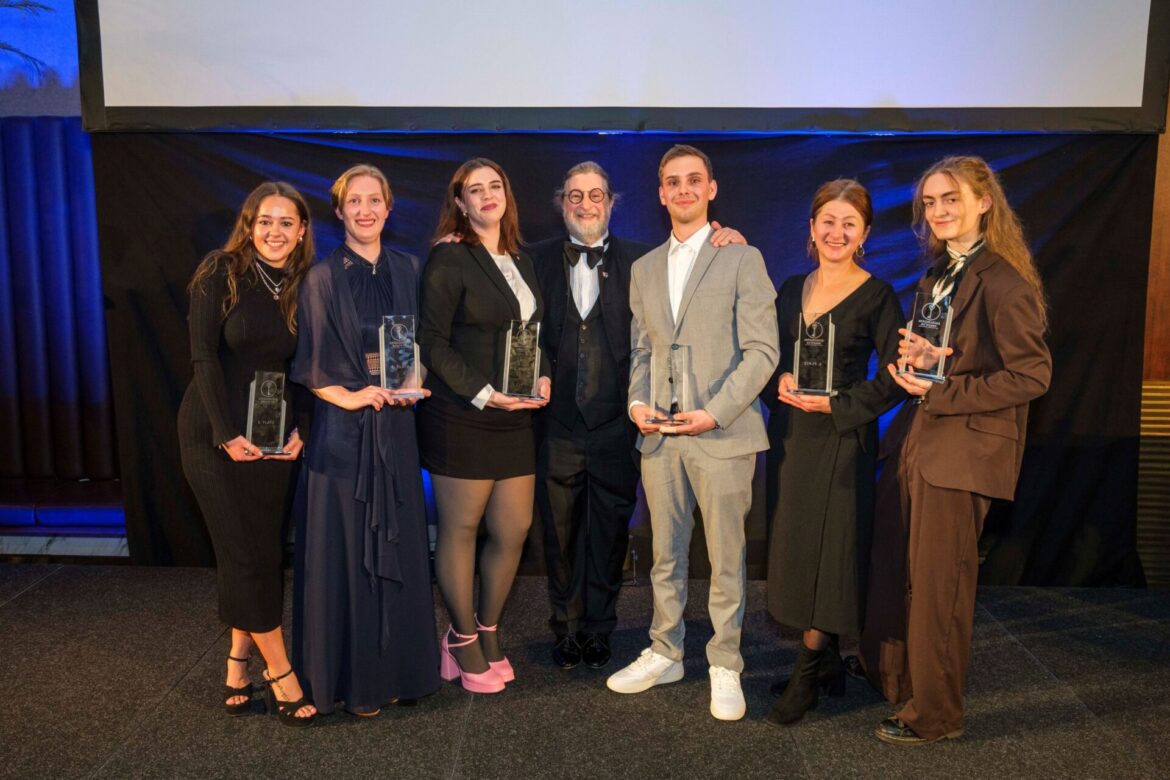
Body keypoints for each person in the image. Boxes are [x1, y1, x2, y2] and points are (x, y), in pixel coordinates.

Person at [857, 156, 1051, 745]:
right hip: (919, 438)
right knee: (901, 571)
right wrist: (920, 358)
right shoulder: (939, 274)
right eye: (931, 203)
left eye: (951, 199)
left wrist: (948, 386)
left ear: (984, 201)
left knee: (941, 585)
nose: (939, 211)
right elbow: (949, 356)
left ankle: (936, 716)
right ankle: (896, 681)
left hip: (962, 451)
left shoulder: (1005, 281)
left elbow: (1032, 375)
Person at [528, 161, 747, 670]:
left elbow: (680, 302)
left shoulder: (644, 261)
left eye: (596, 195)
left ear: (612, 203)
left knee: (608, 532)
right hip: (555, 424)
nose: (586, 204)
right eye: (575, 196)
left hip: (620, 425)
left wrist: (728, 236)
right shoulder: (534, 260)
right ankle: (565, 626)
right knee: (559, 533)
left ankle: (600, 627)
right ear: (563, 203)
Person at [606, 145, 779, 721]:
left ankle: (725, 662)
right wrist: (636, 402)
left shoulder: (741, 257)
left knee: (727, 558)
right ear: (660, 193)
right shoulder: (644, 268)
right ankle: (666, 650)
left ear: (711, 188)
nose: (682, 190)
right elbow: (639, 351)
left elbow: (762, 353)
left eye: (693, 181)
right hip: (659, 437)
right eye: (672, 182)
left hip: (723, 436)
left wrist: (716, 412)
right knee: (664, 555)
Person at [291, 164, 440, 716]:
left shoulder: (408, 267)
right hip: (344, 436)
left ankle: (400, 672)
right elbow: (311, 363)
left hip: (396, 430)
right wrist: (351, 398)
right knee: (348, 558)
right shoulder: (321, 279)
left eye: (374, 200)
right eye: (353, 201)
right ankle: (356, 683)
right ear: (339, 211)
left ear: (389, 206)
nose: (365, 209)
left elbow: (411, 349)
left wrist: (411, 382)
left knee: (399, 544)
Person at [763, 179, 905, 726]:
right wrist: (777, 380)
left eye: (849, 223)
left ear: (865, 233)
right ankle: (824, 665)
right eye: (828, 220)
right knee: (797, 546)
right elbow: (768, 353)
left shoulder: (878, 295)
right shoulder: (791, 286)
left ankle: (807, 672)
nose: (837, 232)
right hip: (792, 439)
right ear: (811, 229)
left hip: (843, 440)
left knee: (832, 552)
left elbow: (897, 376)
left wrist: (841, 405)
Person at [177, 181, 317, 725]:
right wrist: (225, 433)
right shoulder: (221, 271)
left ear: (302, 230)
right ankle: (281, 672)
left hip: (273, 439)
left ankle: (238, 660)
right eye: (265, 221)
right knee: (243, 554)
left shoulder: (304, 284)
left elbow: (301, 371)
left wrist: (299, 429)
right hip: (213, 436)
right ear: (249, 224)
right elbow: (203, 358)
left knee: (259, 553)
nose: (275, 231)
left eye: (287, 222)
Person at [418, 158, 550, 694]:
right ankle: (463, 638)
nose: (488, 195)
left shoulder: (521, 257)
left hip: (516, 418)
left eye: (496, 185)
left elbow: (535, 334)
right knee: (462, 530)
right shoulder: (450, 258)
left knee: (514, 529)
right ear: (461, 202)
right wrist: (485, 393)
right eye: (476, 189)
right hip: (463, 415)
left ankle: (488, 628)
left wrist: (543, 376)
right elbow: (432, 341)